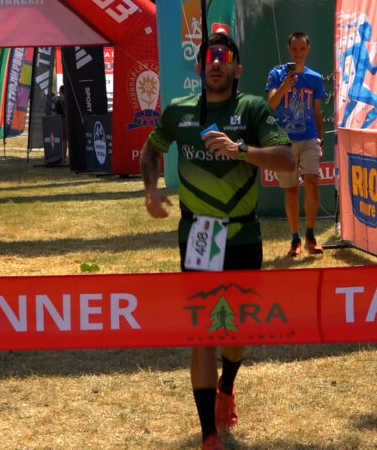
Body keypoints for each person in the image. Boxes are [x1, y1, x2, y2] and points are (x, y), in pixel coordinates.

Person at [140, 32, 293, 450]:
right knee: (203, 331)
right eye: (210, 56)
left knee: (235, 329)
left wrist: (239, 150)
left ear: (237, 69)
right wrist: (151, 190)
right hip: (200, 235)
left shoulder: (253, 108)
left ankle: (228, 385)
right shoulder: (180, 111)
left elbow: (287, 159)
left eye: (224, 57)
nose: (216, 62)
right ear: (199, 67)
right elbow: (151, 151)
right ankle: (209, 433)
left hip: (243, 234)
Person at [266, 32, 327, 257]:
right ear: (288, 49)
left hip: (309, 137)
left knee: (311, 182)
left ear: (308, 50)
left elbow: (317, 112)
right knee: (291, 189)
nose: (298, 53)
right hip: (285, 140)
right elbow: (271, 104)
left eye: (302, 49)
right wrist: (284, 86)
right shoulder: (276, 74)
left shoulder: (315, 78)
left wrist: (320, 140)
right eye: (294, 49)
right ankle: (295, 239)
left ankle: (310, 235)